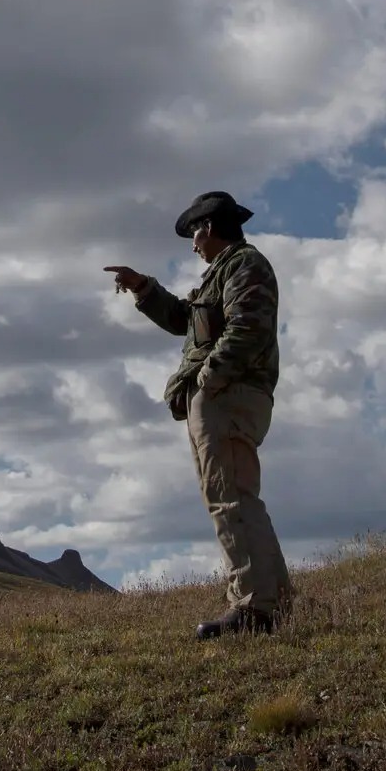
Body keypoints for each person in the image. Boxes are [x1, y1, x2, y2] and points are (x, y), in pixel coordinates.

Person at [106, 191, 291, 639]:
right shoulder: (226, 271)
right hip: (226, 392)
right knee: (238, 497)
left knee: (228, 498)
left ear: (208, 227)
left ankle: (251, 606)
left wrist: (208, 380)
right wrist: (142, 287)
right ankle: (270, 603)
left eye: (194, 234)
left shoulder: (246, 264)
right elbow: (185, 321)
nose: (192, 245)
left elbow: (248, 326)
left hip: (227, 393)